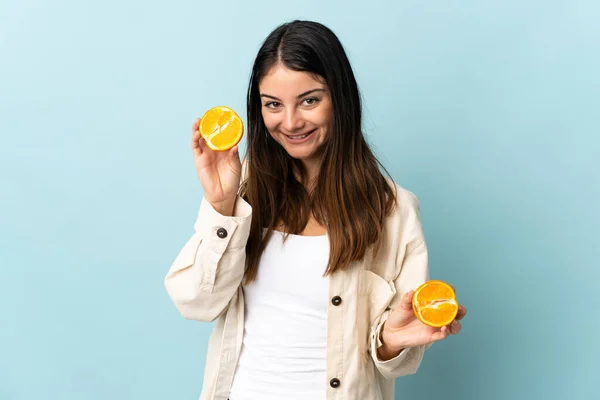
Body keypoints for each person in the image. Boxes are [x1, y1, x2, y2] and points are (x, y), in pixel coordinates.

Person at [164, 20, 467, 400]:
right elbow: (195, 303)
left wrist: (392, 340)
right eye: (273, 104)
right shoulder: (242, 196)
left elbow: (398, 358)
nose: (290, 123)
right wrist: (221, 207)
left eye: (309, 100)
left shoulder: (393, 211)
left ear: (339, 97)